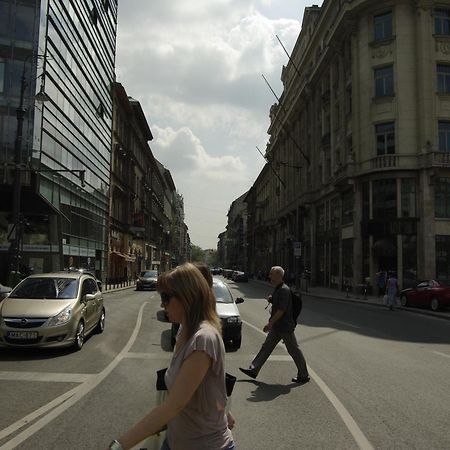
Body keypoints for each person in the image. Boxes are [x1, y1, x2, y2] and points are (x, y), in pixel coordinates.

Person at [105, 263, 235, 450]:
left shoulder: (203, 338)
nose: (161, 304)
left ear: (187, 298)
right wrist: (220, 410)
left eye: (166, 298)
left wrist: (118, 446)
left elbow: (173, 406)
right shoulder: (184, 331)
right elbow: (204, 385)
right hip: (175, 441)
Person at [239, 265, 310, 384]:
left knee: (294, 350)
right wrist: (272, 299)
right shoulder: (279, 288)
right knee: (266, 347)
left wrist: (270, 324)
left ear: (278, 275)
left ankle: (304, 374)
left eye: (271, 274)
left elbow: (281, 310)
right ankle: (253, 369)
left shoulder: (283, 290)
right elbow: (280, 304)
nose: (269, 276)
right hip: (278, 326)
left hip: (285, 326)